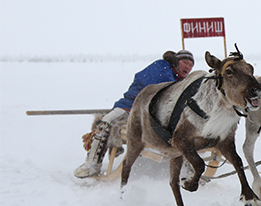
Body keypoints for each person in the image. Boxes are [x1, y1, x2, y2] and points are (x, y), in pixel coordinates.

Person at [74, 49, 195, 178]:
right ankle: (92, 164)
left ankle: (190, 169)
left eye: (191, 65)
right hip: (130, 107)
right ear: (176, 61)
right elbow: (156, 85)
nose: (187, 67)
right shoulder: (161, 66)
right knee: (106, 122)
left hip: (152, 118)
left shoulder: (181, 83)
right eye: (185, 62)